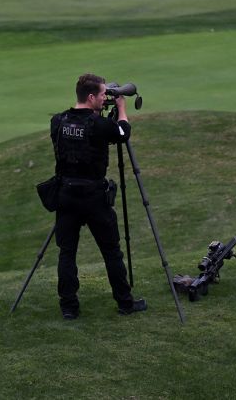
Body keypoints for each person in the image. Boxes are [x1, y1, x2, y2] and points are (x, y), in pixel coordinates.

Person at [49, 73, 147, 320]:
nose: (106, 98)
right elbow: (123, 133)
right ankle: (125, 302)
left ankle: (69, 307)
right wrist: (122, 108)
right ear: (91, 97)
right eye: (103, 94)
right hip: (94, 197)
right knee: (111, 251)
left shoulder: (58, 121)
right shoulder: (98, 125)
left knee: (67, 253)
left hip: (66, 195)